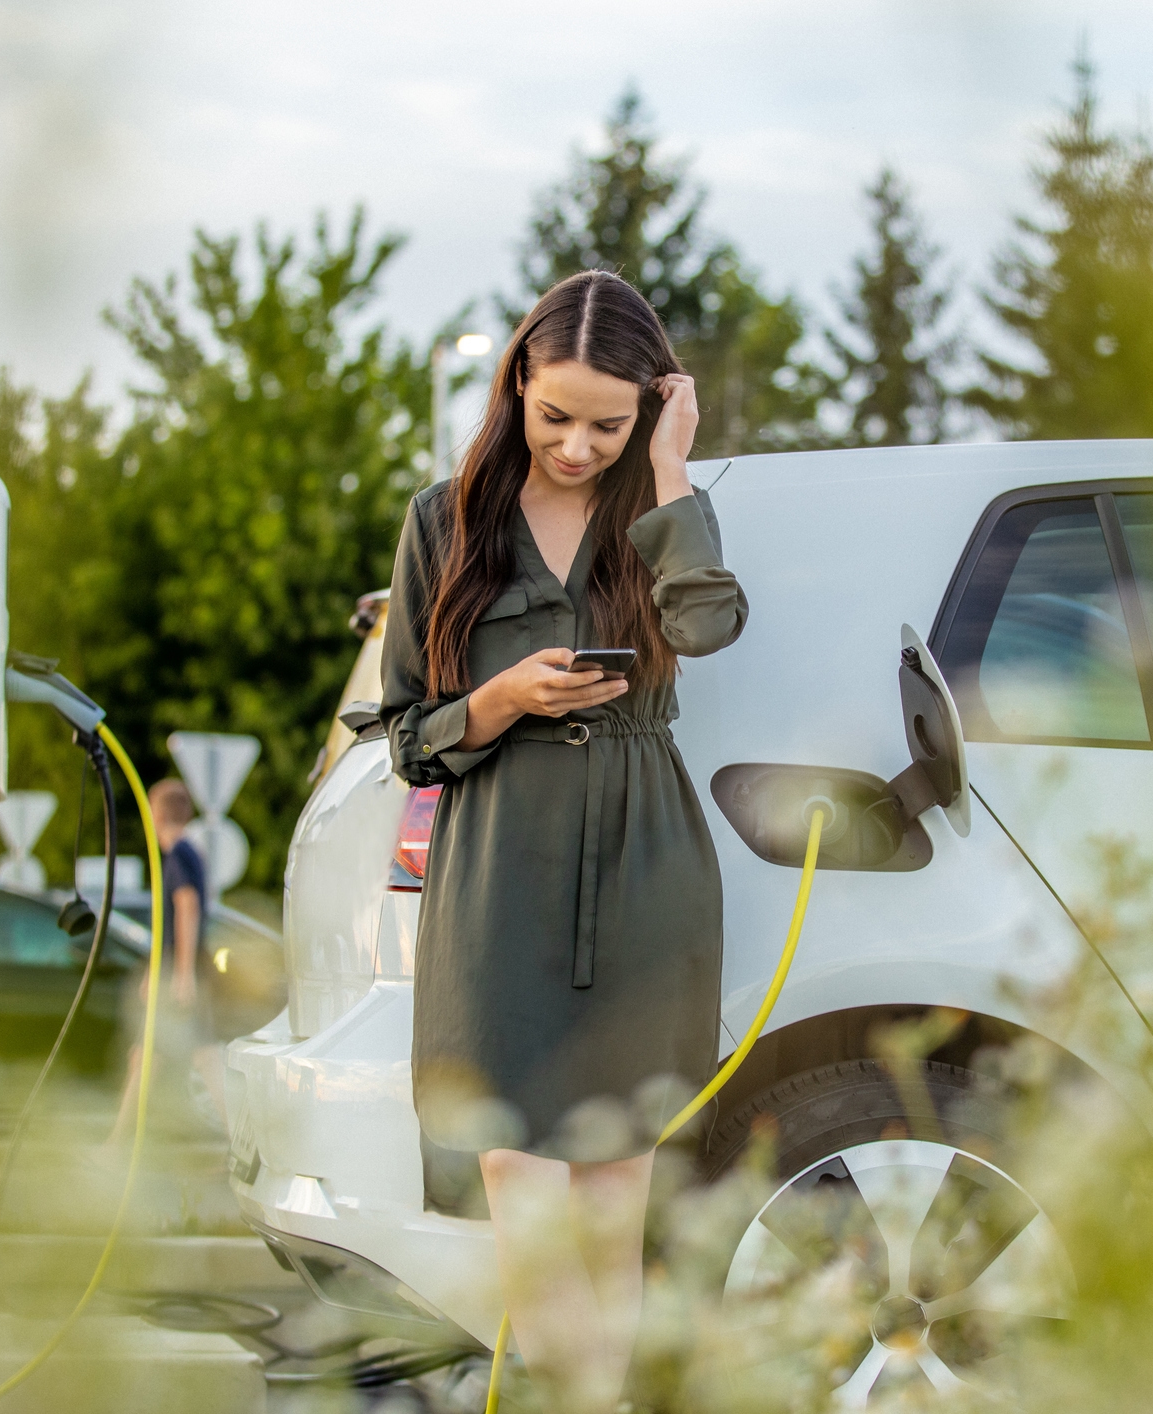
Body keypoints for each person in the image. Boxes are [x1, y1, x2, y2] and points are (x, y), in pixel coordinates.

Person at [379, 270, 747, 1412]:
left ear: (650, 407)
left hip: (644, 867)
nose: (579, 446)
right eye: (555, 417)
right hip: (499, 876)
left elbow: (709, 625)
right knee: (525, 1193)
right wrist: (500, 701)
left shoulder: (660, 507)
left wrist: (674, 468)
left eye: (610, 422)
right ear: (515, 389)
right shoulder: (445, 520)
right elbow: (407, 735)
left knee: (611, 1202)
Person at [108, 776, 216, 1142]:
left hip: (179, 974)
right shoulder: (189, 852)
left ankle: (117, 1145)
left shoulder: (179, 853)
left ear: (159, 812)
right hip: (175, 971)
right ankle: (119, 1143)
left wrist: (181, 974)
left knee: (157, 1055)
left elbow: (187, 907)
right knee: (175, 1056)